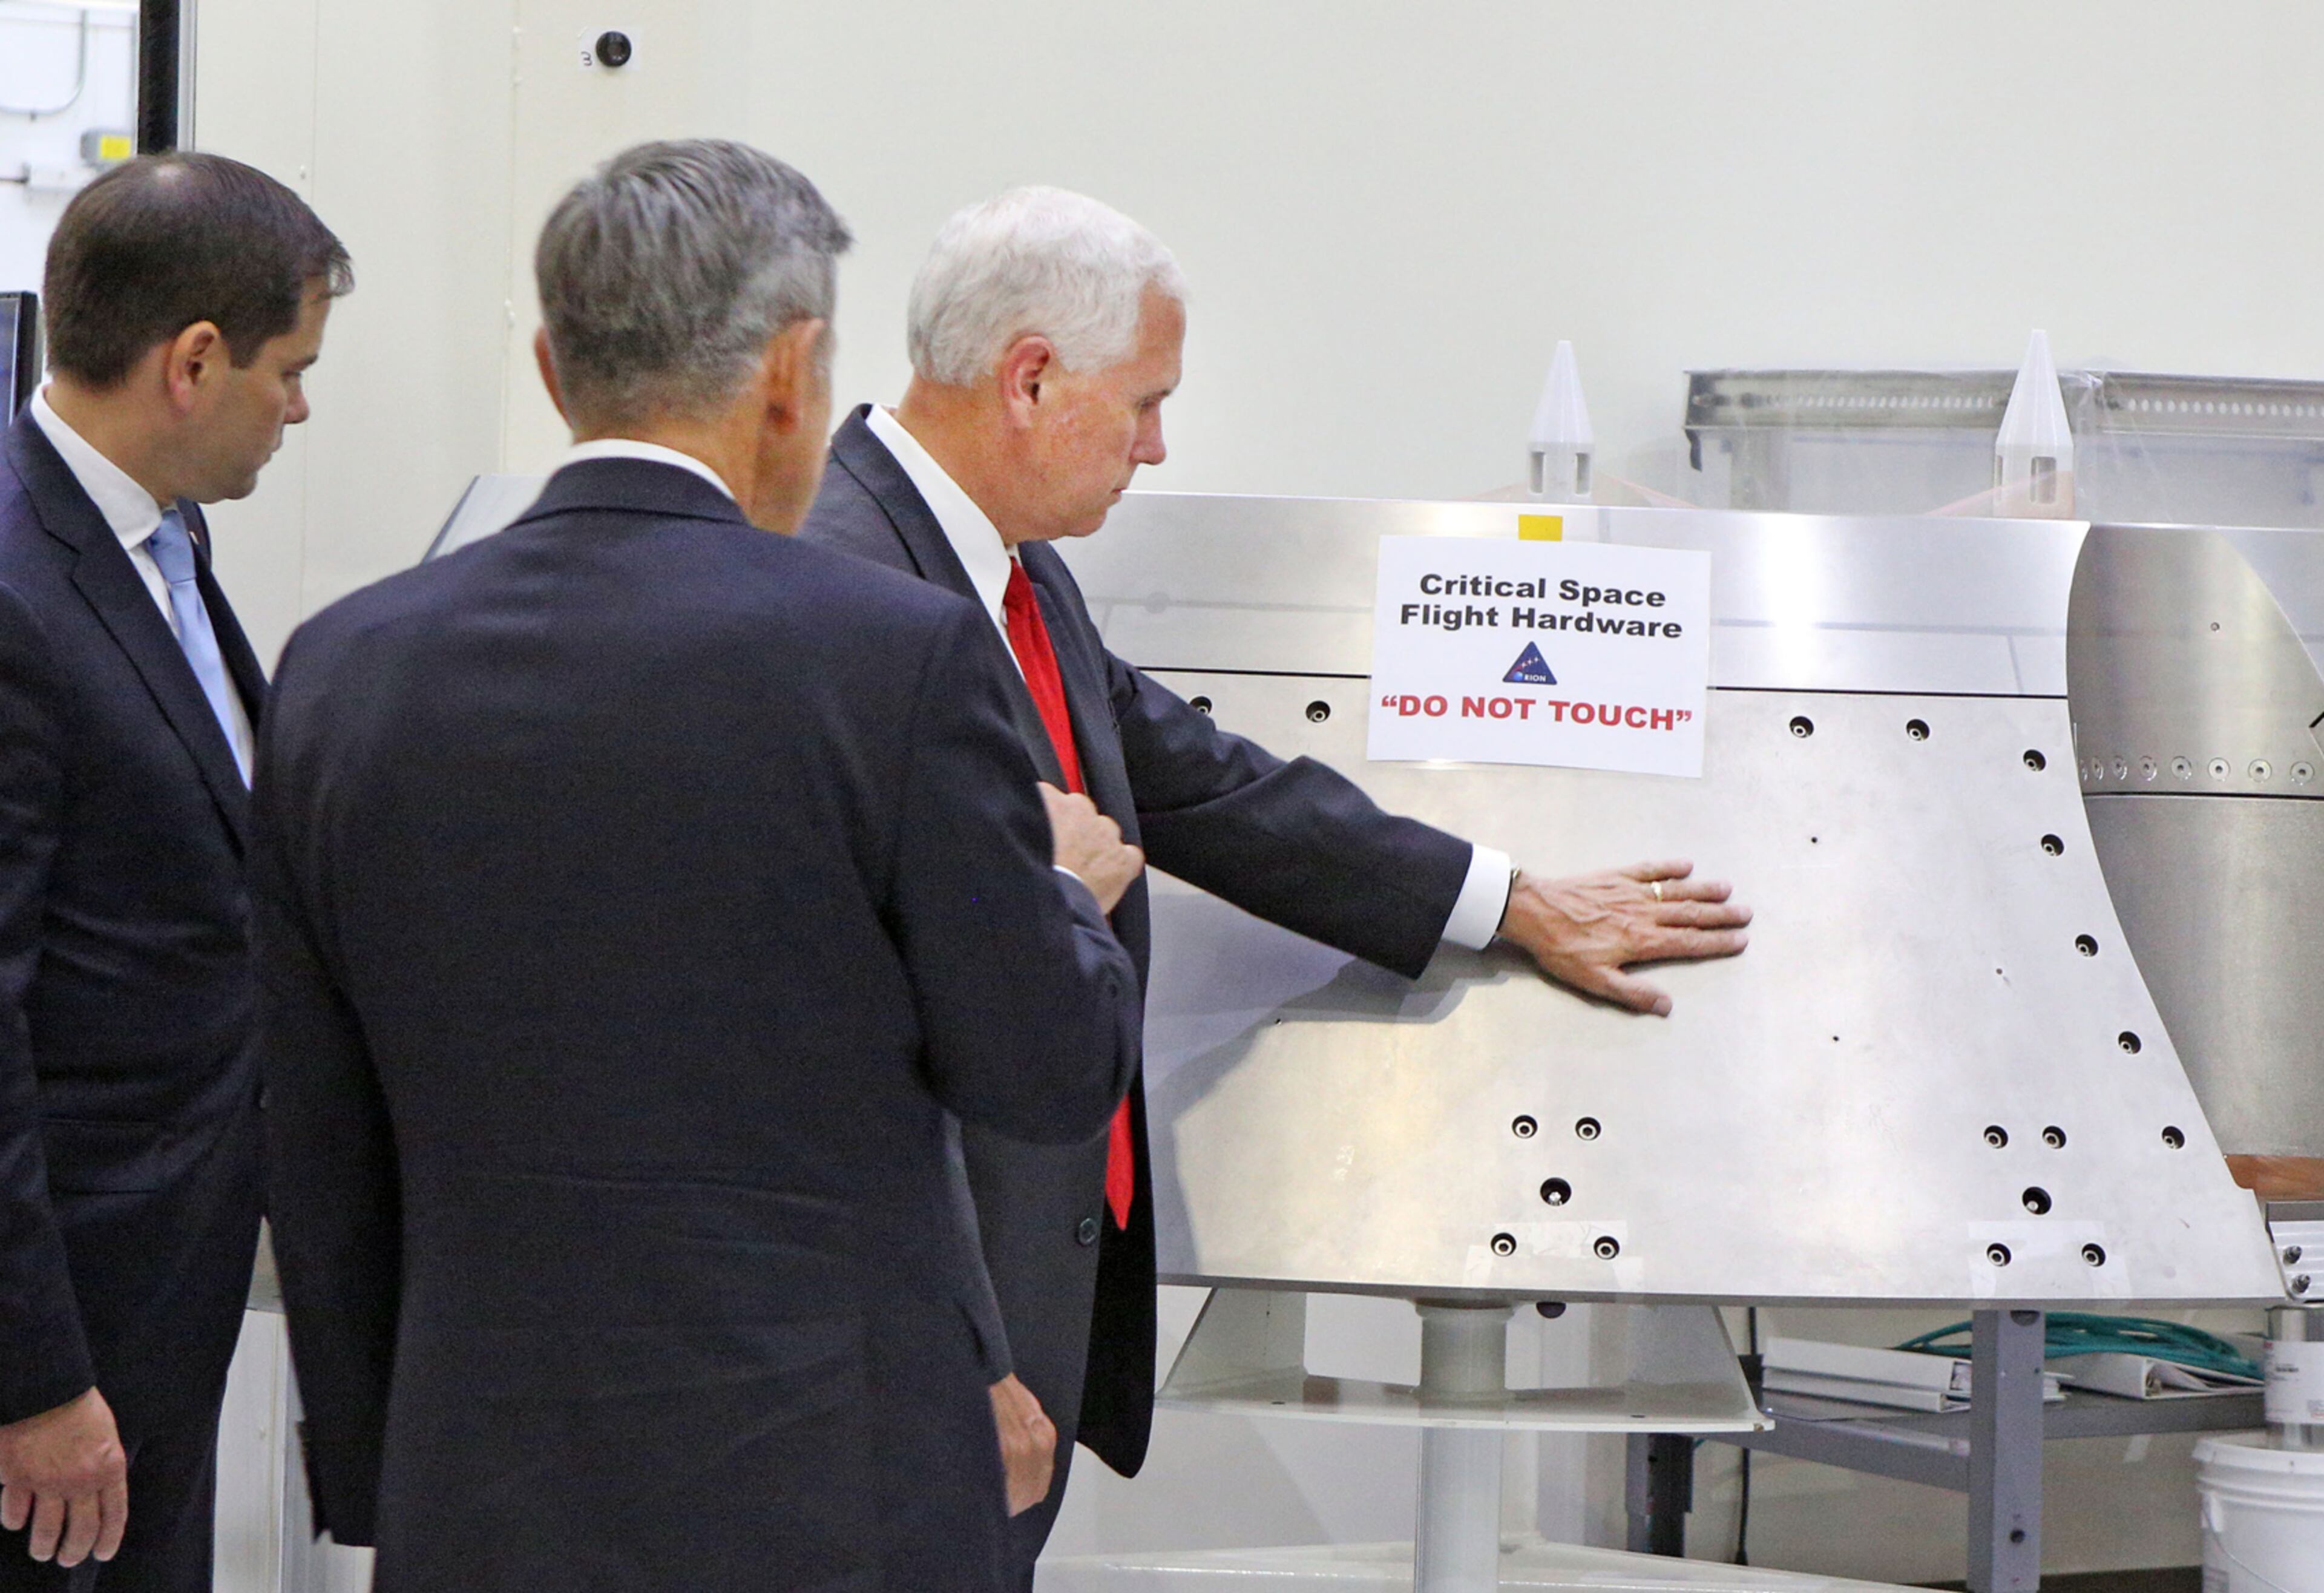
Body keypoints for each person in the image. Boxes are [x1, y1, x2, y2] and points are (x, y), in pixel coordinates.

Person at [798, 185, 1754, 1580]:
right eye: (1144, 403)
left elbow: (1203, 784)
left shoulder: (1015, 572)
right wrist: (954, 1347)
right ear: (1030, 378)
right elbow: (829, 1037)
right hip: (917, 1341)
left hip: (1022, 1294)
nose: (1158, 444)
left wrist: (1506, 899)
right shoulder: (836, 584)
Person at [254, 141, 1144, 1593]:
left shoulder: (346, 668)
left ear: (553, 368)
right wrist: (1060, 894)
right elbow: (1041, 1068)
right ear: (791, 373)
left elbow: (319, 1129)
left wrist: (379, 1466)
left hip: (482, 1489)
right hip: (831, 1496)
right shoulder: (894, 660)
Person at [0, 153, 348, 1589]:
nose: (300, 408)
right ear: (193, 363)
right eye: (290, 370)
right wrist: (32, 1376)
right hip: (63, 1344)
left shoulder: (160, 539)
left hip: (163, 1294)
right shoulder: (18, 591)